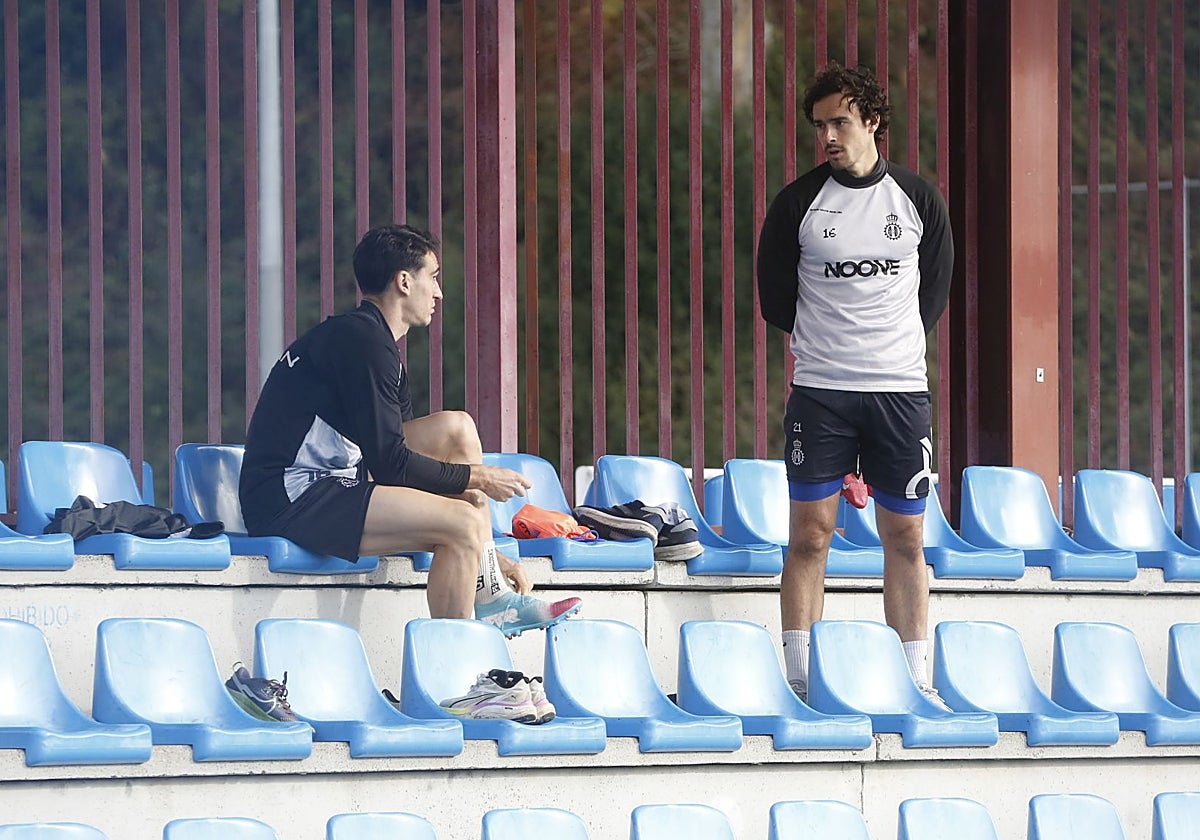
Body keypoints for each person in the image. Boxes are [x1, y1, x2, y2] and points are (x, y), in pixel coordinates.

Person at [239, 223, 581, 641]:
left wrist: (486, 553)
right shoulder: (362, 342)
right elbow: (393, 466)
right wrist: (480, 478)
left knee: (457, 430)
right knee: (460, 524)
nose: (439, 293)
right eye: (433, 277)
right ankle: (458, 666)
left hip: (337, 480)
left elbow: (402, 461)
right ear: (404, 281)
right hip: (290, 497)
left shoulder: (375, 342)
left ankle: (489, 588)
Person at [756, 63, 953, 706]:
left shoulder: (918, 200)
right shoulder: (798, 204)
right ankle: (798, 680)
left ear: (872, 121)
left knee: (907, 538)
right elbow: (776, 300)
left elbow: (933, 294)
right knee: (810, 535)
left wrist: (886, 347)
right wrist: (834, 346)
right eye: (819, 126)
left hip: (900, 393)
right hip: (821, 393)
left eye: (840, 122)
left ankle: (915, 682)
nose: (828, 137)